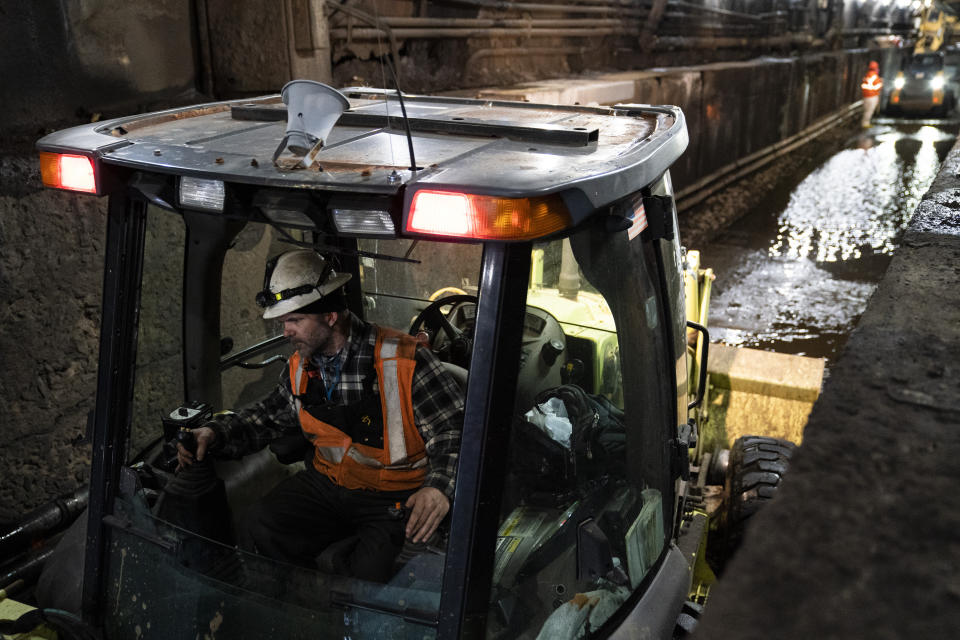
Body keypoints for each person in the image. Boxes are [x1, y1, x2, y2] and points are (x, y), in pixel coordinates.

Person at [177, 249, 464, 582]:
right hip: (327, 485)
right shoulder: (301, 366)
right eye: (283, 322)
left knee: (370, 576)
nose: (286, 331)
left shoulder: (405, 361)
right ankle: (287, 613)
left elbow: (455, 430)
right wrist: (214, 433)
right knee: (259, 525)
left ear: (330, 316)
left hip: (393, 496)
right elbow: (267, 416)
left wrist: (438, 489)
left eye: (294, 320)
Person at [861, 60, 883, 128]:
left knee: (866, 110)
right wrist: (881, 83)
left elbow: (863, 85)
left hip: (866, 96)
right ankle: (865, 124)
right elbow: (877, 86)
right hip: (872, 96)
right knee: (869, 110)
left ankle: (864, 123)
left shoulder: (867, 75)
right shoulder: (875, 76)